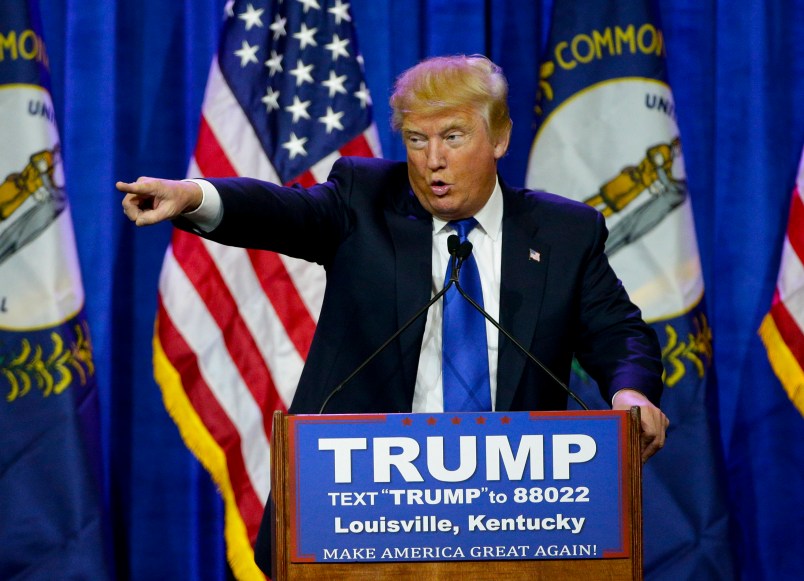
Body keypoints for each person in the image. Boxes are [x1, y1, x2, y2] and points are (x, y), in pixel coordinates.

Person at [118, 54, 668, 571]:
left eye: (453, 137)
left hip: (513, 514)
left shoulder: (564, 233)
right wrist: (194, 197)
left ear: (498, 137)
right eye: (417, 140)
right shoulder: (365, 199)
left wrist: (631, 391)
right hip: (362, 511)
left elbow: (618, 332)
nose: (433, 161)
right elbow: (282, 212)